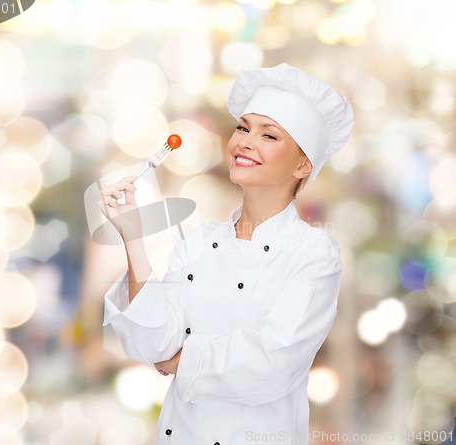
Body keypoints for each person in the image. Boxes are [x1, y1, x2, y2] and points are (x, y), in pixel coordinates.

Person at [99, 63, 354, 445]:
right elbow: (149, 342)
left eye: (269, 135)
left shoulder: (314, 254)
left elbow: (271, 364)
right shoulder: (198, 242)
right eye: (243, 127)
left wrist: (180, 360)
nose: (245, 142)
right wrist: (132, 236)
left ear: (304, 165)